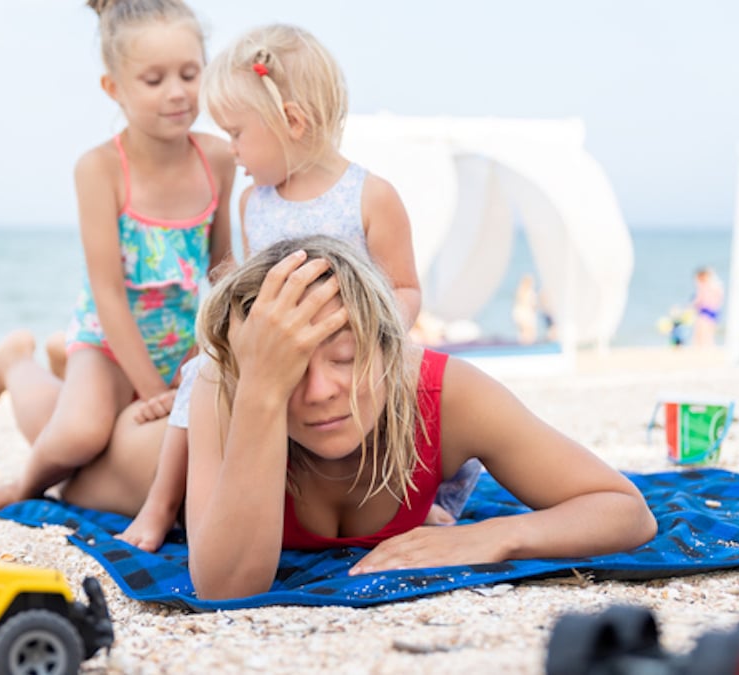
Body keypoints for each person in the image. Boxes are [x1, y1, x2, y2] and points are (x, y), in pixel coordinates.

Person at [119, 23, 475, 551]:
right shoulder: (253, 203)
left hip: (351, 352)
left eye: (237, 133)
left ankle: (421, 500)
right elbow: (244, 297)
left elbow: (404, 288)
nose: (231, 151)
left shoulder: (371, 196)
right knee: (203, 371)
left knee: (423, 388)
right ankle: (161, 505)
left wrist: (374, 336)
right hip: (279, 354)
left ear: (291, 121)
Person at [183, 236, 658, 600]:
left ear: (390, 349)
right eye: (290, 367)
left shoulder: (443, 391)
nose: (321, 390)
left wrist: (497, 536)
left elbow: (625, 510)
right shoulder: (225, 390)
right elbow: (225, 589)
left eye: (346, 358)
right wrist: (261, 392)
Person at [0, 0, 234, 511]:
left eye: (190, 74)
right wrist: (150, 389)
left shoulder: (216, 158)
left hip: (180, 343)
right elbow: (106, 290)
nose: (176, 92)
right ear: (115, 89)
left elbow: (223, 270)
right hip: (108, 341)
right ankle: (19, 407)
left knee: (109, 441)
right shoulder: (101, 169)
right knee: (80, 436)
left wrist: (206, 355)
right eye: (153, 80)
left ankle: (34, 363)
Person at [691, 266, 724, 348]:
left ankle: (703, 347)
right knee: (708, 331)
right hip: (712, 310)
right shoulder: (713, 285)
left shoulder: (706, 286)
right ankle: (707, 346)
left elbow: (700, 299)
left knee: (702, 331)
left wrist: (693, 304)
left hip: (706, 310)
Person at [512, 273, 539, 345]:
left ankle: (524, 344)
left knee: (524, 331)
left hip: (521, 313)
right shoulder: (529, 292)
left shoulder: (520, 291)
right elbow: (533, 305)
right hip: (525, 313)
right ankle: (527, 344)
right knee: (528, 331)